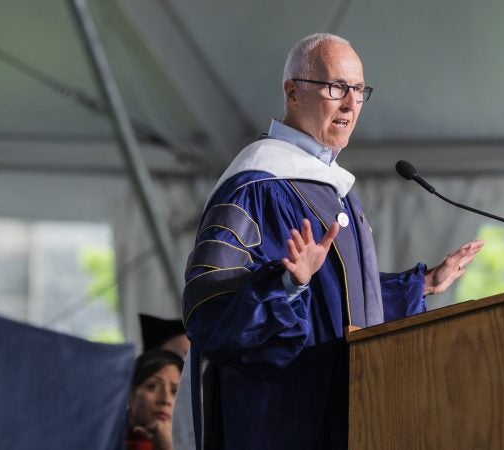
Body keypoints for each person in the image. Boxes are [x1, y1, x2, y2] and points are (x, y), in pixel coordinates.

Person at [181, 32, 483, 450]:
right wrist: (286, 286)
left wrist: (423, 284)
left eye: (359, 90)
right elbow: (207, 308)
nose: (350, 104)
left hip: (346, 417)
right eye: (336, 87)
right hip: (281, 422)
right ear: (291, 91)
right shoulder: (257, 185)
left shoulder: (330, 187)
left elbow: (338, 303)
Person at [127, 349, 184, 450]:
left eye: (175, 391)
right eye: (153, 386)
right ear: (129, 394)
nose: (165, 400)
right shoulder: (104, 441)